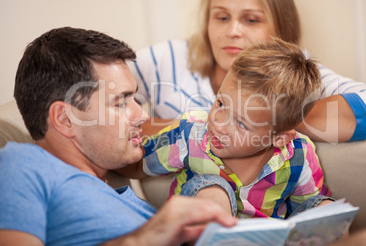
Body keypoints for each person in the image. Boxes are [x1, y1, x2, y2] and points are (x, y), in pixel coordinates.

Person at [0, 27, 237, 246]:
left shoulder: (117, 194)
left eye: (134, 98)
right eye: (121, 102)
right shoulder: (20, 166)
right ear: (66, 119)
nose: (142, 116)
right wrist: (141, 240)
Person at [131, 0, 366, 142]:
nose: (232, 30)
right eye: (222, 17)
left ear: (280, 29)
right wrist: (208, 125)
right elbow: (97, 90)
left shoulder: (300, 75)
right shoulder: (171, 58)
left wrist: (269, 118)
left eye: (251, 19)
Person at [128, 38, 333, 219]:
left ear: (279, 138)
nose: (218, 122)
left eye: (241, 123)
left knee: (325, 209)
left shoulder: (298, 155)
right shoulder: (191, 134)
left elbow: (304, 212)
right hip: (198, 233)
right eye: (220, 104)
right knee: (215, 191)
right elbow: (137, 164)